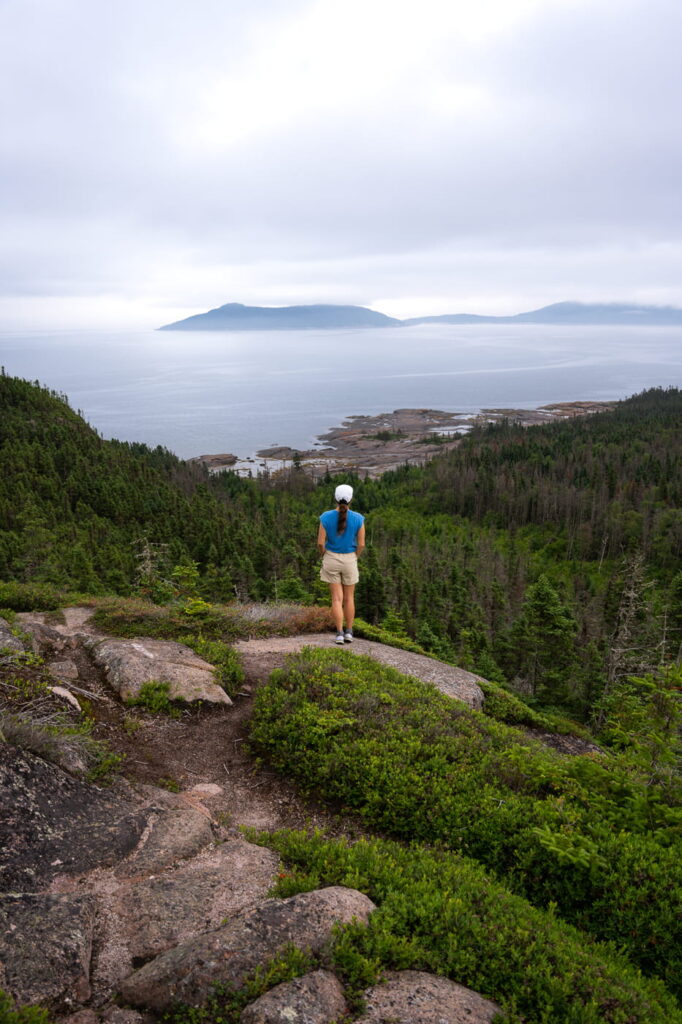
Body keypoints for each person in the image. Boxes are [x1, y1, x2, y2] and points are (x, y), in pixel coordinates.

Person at [317, 483, 365, 644]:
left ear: (335, 499)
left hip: (331, 558)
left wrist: (324, 555)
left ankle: (339, 633)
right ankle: (349, 632)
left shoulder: (325, 517)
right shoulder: (358, 518)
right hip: (350, 559)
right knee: (349, 598)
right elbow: (362, 544)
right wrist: (355, 557)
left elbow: (320, 543)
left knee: (337, 599)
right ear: (351, 499)